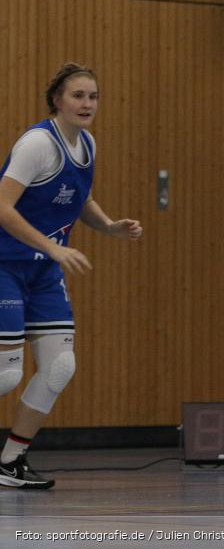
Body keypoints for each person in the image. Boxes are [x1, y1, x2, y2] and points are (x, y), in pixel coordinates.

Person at [0, 63, 142, 489]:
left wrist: (110, 226)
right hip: (5, 265)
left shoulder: (87, 144)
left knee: (60, 366)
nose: (87, 104)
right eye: (78, 95)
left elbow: (80, 198)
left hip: (42, 272)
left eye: (93, 96)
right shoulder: (37, 144)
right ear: (57, 100)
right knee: (6, 375)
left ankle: (10, 461)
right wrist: (53, 246)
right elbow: (2, 207)